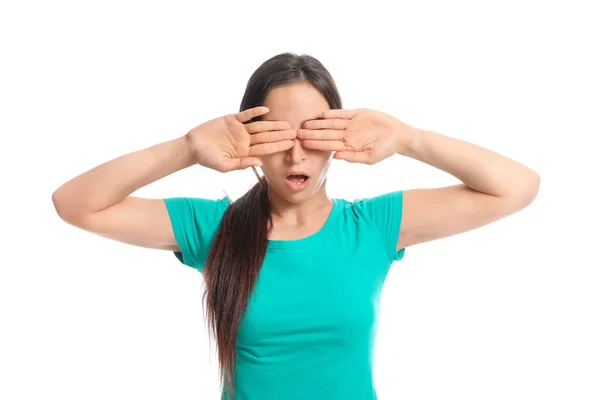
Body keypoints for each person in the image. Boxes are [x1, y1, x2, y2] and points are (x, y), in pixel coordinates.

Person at [52, 52, 541, 400]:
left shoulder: (372, 227)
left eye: (313, 133)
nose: (295, 153)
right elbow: (75, 204)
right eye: (278, 135)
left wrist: (409, 139)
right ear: (248, 139)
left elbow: (515, 187)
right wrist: (185, 148)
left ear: (338, 137)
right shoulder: (213, 227)